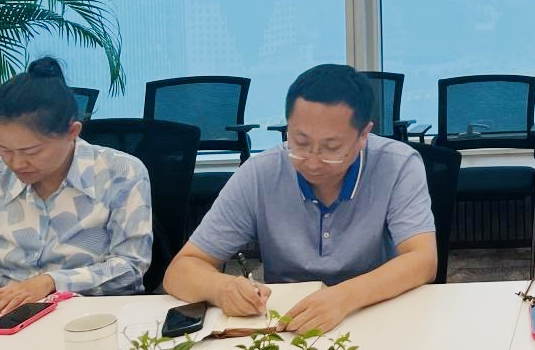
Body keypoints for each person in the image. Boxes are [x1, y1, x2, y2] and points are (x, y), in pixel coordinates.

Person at [163, 64, 436, 333]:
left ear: (363, 135)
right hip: (287, 327)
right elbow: (180, 271)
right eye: (300, 142)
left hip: (374, 317)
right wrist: (223, 288)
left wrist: (344, 297)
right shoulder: (260, 173)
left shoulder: (397, 164)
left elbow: (423, 259)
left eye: (331, 147)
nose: (313, 162)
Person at [0, 58, 151, 314]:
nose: (16, 163)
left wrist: (51, 282)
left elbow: (130, 267)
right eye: (4, 149)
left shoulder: (120, 172)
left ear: (72, 132)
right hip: (8, 314)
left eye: (31, 151)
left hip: (90, 315)